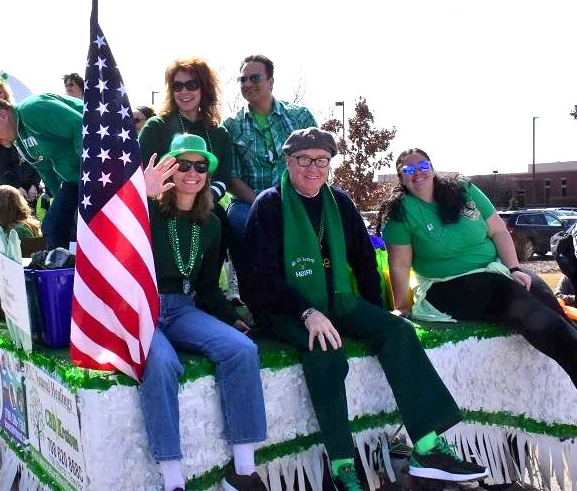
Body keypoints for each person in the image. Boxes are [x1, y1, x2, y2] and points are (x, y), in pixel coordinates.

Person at [243, 129, 487, 490]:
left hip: (337, 301)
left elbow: (363, 262)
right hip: (285, 309)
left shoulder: (339, 202)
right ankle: (343, 465)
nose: (313, 168)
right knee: (325, 347)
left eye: (321, 160)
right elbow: (259, 278)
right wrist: (307, 312)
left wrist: (374, 314)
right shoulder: (269, 205)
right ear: (288, 162)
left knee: (398, 330)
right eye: (304, 159)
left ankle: (427, 447)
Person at [380, 148, 577, 388]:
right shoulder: (399, 212)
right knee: (528, 309)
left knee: (547, 301)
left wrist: (514, 269)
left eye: (423, 166)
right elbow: (399, 264)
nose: (418, 173)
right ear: (401, 178)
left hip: (496, 270)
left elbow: (498, 231)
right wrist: (402, 307)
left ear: (432, 168)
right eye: (409, 170)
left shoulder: (464, 190)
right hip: (447, 285)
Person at [141, 134, 267, 491]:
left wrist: (229, 317)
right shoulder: (145, 209)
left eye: (200, 166)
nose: (192, 173)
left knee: (241, 350)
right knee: (160, 362)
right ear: (170, 169)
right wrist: (140, 195)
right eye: (183, 165)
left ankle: (243, 471)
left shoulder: (211, 223)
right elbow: (110, 229)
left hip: (183, 308)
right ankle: (173, 480)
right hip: (143, 307)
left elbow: (208, 285)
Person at [223, 54, 317, 280]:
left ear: (271, 82)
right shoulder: (231, 125)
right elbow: (231, 177)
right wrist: (264, 204)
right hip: (251, 202)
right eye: (243, 79)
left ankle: (320, 279)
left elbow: (319, 161)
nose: (247, 84)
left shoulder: (300, 117)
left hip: (300, 197)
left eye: (254, 78)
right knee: (236, 218)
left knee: (337, 208)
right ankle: (248, 283)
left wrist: (299, 200)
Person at [139, 58, 234, 275]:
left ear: (204, 88)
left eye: (192, 85)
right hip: (161, 205)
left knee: (219, 219)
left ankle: (210, 285)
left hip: (205, 203)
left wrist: (202, 199)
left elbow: (223, 176)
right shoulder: (157, 126)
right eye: (177, 86)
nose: (184, 91)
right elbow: (141, 172)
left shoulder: (219, 133)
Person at [0, 93, 83, 250]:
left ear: (3, 116)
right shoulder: (19, 141)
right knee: (53, 226)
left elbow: (81, 127)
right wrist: (61, 201)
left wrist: (90, 177)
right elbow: (47, 172)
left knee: (79, 222)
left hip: (99, 169)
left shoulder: (32, 109)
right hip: (74, 181)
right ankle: (62, 263)